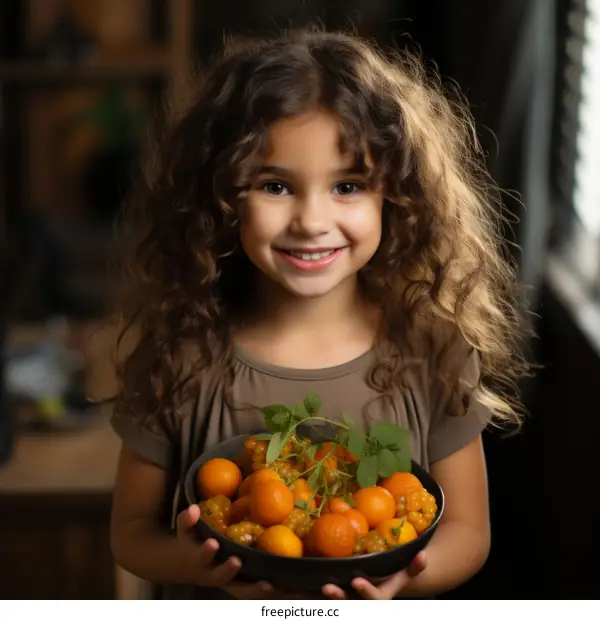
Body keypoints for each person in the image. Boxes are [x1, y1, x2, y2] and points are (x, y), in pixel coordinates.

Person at [105, 27, 530, 600]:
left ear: (398, 197)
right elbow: (130, 534)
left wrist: (403, 579)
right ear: (221, 197)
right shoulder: (178, 355)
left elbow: (468, 533)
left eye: (348, 185)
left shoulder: (434, 351)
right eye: (275, 185)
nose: (311, 220)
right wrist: (189, 563)